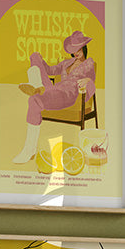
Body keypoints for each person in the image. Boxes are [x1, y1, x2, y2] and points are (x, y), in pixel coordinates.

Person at [12, 30, 96, 164]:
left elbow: (92, 81)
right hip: (53, 90)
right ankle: (37, 86)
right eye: (73, 49)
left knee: (33, 100)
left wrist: (88, 82)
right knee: (34, 56)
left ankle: (29, 150)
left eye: (77, 48)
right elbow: (50, 70)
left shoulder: (88, 64)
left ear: (84, 47)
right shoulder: (66, 62)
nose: (75, 52)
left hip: (67, 95)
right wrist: (41, 60)